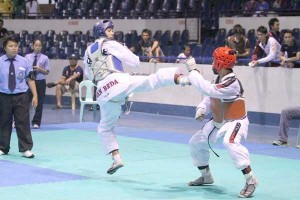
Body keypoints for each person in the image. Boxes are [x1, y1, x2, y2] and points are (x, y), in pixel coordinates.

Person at [84, 19, 188, 175]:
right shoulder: (109, 44)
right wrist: (124, 50)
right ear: (101, 31)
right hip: (117, 81)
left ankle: (116, 158)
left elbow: (88, 74)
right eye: (109, 30)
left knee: (104, 127)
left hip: (101, 92)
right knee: (150, 80)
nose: (112, 32)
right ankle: (181, 78)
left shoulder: (87, 51)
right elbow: (135, 61)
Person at [178, 47, 258, 198]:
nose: (212, 64)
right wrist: (202, 108)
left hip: (236, 121)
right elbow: (210, 97)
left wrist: (193, 70)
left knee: (230, 142)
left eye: (215, 61)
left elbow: (209, 90)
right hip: (219, 121)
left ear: (220, 64)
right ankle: (206, 176)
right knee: (195, 143)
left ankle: (251, 180)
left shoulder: (232, 83)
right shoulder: (219, 79)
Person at [0, 36, 38, 158]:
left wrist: (35, 95)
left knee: (23, 122)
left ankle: (25, 149)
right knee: (4, 122)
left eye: (15, 46)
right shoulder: (0, 62)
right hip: (4, 96)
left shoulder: (25, 61)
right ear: (5, 48)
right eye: (10, 46)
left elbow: (31, 79)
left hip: (21, 95)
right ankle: (3, 147)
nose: (14, 48)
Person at [25, 39, 50, 128]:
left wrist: (40, 69)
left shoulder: (45, 58)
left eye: (39, 45)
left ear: (41, 47)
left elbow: (47, 72)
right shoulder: (27, 57)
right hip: (29, 81)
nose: (38, 47)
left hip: (40, 81)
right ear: (33, 46)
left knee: (39, 102)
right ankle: (22, 121)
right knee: (25, 102)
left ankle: (36, 122)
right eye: (36, 45)